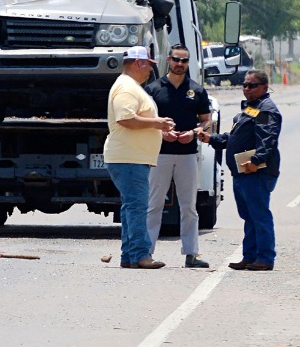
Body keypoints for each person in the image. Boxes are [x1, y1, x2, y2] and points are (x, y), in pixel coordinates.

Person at [199, 69, 281, 271]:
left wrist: (255, 161)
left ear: (264, 87)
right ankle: (250, 256)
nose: (246, 89)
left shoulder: (266, 109)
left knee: (259, 215)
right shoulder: (250, 109)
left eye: (251, 85)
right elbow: (234, 137)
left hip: (256, 171)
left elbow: (268, 139)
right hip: (242, 172)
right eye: (245, 85)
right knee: (249, 216)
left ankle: (265, 257)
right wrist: (212, 139)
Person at [104, 46, 175, 269]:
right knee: (136, 206)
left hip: (130, 156)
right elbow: (126, 118)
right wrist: (157, 123)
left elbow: (133, 120)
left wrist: (160, 131)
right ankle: (140, 254)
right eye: (149, 65)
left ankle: (130, 255)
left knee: (131, 206)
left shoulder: (130, 87)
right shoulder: (127, 88)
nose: (150, 71)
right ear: (138, 63)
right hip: (129, 157)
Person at [144, 44, 211, 268]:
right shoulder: (153, 89)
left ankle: (191, 253)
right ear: (169, 61)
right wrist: (162, 133)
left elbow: (206, 120)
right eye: (176, 60)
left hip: (187, 154)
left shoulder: (197, 90)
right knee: (154, 205)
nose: (180, 64)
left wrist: (194, 133)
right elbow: (144, 121)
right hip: (160, 154)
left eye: (184, 61)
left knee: (189, 206)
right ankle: (146, 251)